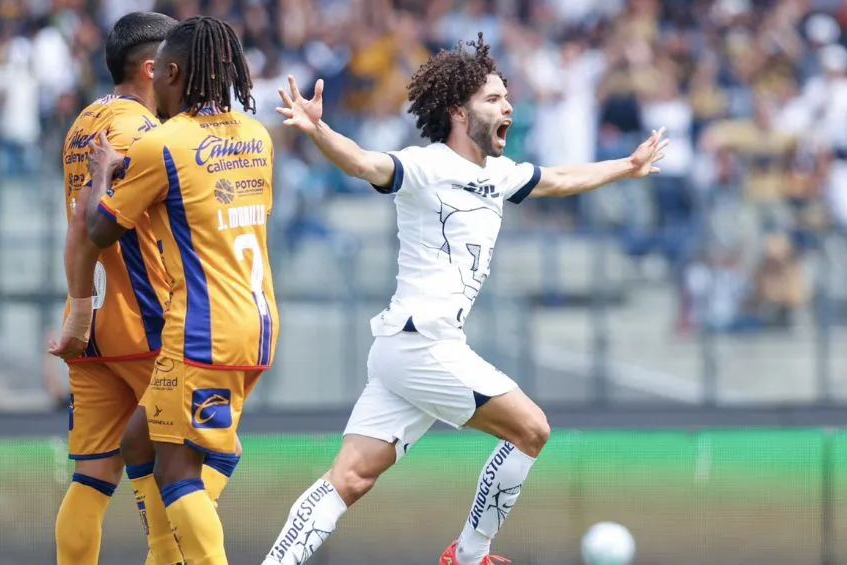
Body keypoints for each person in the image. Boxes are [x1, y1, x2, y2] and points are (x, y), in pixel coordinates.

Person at [260, 33, 668, 565]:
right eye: (494, 99)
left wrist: (626, 166)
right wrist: (318, 130)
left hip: (402, 350)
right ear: (458, 110)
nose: (508, 107)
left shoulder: (498, 174)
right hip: (422, 345)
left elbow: (562, 178)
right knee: (531, 430)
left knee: (350, 479)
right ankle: (470, 555)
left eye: (506, 97)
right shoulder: (425, 166)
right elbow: (363, 163)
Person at [84, 15, 277, 565]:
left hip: (202, 327)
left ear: (170, 72)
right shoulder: (256, 136)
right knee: (138, 441)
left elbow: (101, 230)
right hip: (256, 322)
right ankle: (165, 557)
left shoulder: (165, 142)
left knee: (177, 468)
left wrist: (103, 173)